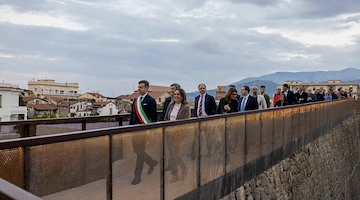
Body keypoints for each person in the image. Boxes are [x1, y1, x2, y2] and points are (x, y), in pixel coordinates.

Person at [129, 80, 158, 185]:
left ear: (146, 88)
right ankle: (152, 162)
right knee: (137, 151)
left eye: (141, 87)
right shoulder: (136, 100)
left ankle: (137, 176)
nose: (138, 89)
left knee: (140, 153)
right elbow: (132, 117)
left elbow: (154, 119)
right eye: (138, 87)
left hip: (144, 132)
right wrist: (129, 129)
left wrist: (152, 134)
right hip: (135, 131)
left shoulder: (151, 101)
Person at [164, 89, 191, 183]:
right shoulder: (170, 105)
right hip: (169, 134)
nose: (175, 96)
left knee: (177, 154)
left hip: (180, 135)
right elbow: (166, 118)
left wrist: (178, 132)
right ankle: (175, 174)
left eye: (178, 94)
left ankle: (184, 169)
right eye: (174, 94)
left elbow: (186, 123)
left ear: (182, 96)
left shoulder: (186, 107)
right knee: (172, 155)